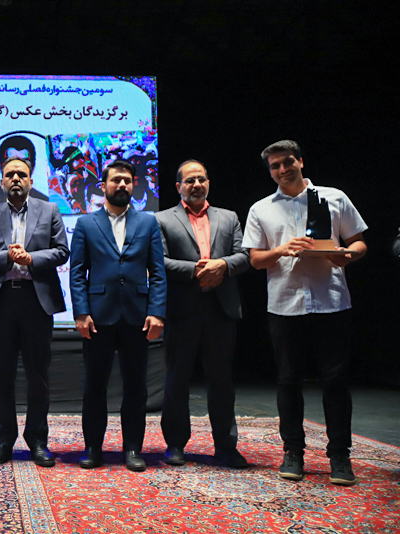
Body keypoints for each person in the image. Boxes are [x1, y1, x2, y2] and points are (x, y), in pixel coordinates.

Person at [243, 140, 367, 486]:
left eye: (287, 162)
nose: (282, 169)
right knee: (288, 381)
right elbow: (255, 259)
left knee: (336, 382)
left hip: (331, 301)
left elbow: (359, 242)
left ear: (300, 161)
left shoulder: (334, 197)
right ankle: (293, 452)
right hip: (285, 305)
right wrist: (282, 250)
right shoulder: (261, 209)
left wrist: (344, 254)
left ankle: (339, 455)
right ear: (270, 171)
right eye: (275, 166)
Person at [69, 159, 166, 471]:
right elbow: (77, 273)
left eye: (127, 180)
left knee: (136, 386)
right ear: (104, 185)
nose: (122, 184)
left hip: (137, 317)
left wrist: (157, 312)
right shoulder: (86, 224)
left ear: (134, 184)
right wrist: (81, 312)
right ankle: (92, 448)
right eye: (116, 180)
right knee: (94, 386)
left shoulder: (148, 223)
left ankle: (133, 449)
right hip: (97, 318)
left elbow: (158, 272)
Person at [0, 156, 69, 467]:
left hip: (36, 301)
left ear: (31, 181)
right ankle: (3, 441)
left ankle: (38, 441)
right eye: (10, 174)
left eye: (21, 174)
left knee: (38, 376)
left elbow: (62, 251)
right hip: (1, 302)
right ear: (1, 182)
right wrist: (7, 256)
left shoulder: (50, 210)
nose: (16, 179)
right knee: (1, 376)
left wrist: (31, 259)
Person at [155, 160, 250, 468]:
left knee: (222, 380)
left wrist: (222, 265)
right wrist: (196, 271)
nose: (196, 185)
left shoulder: (229, 217)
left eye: (201, 179)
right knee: (177, 379)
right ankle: (175, 444)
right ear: (178, 186)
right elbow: (158, 262)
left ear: (208, 182)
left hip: (221, 309)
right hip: (181, 309)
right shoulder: (161, 219)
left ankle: (226, 446)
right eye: (190, 180)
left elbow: (244, 255)